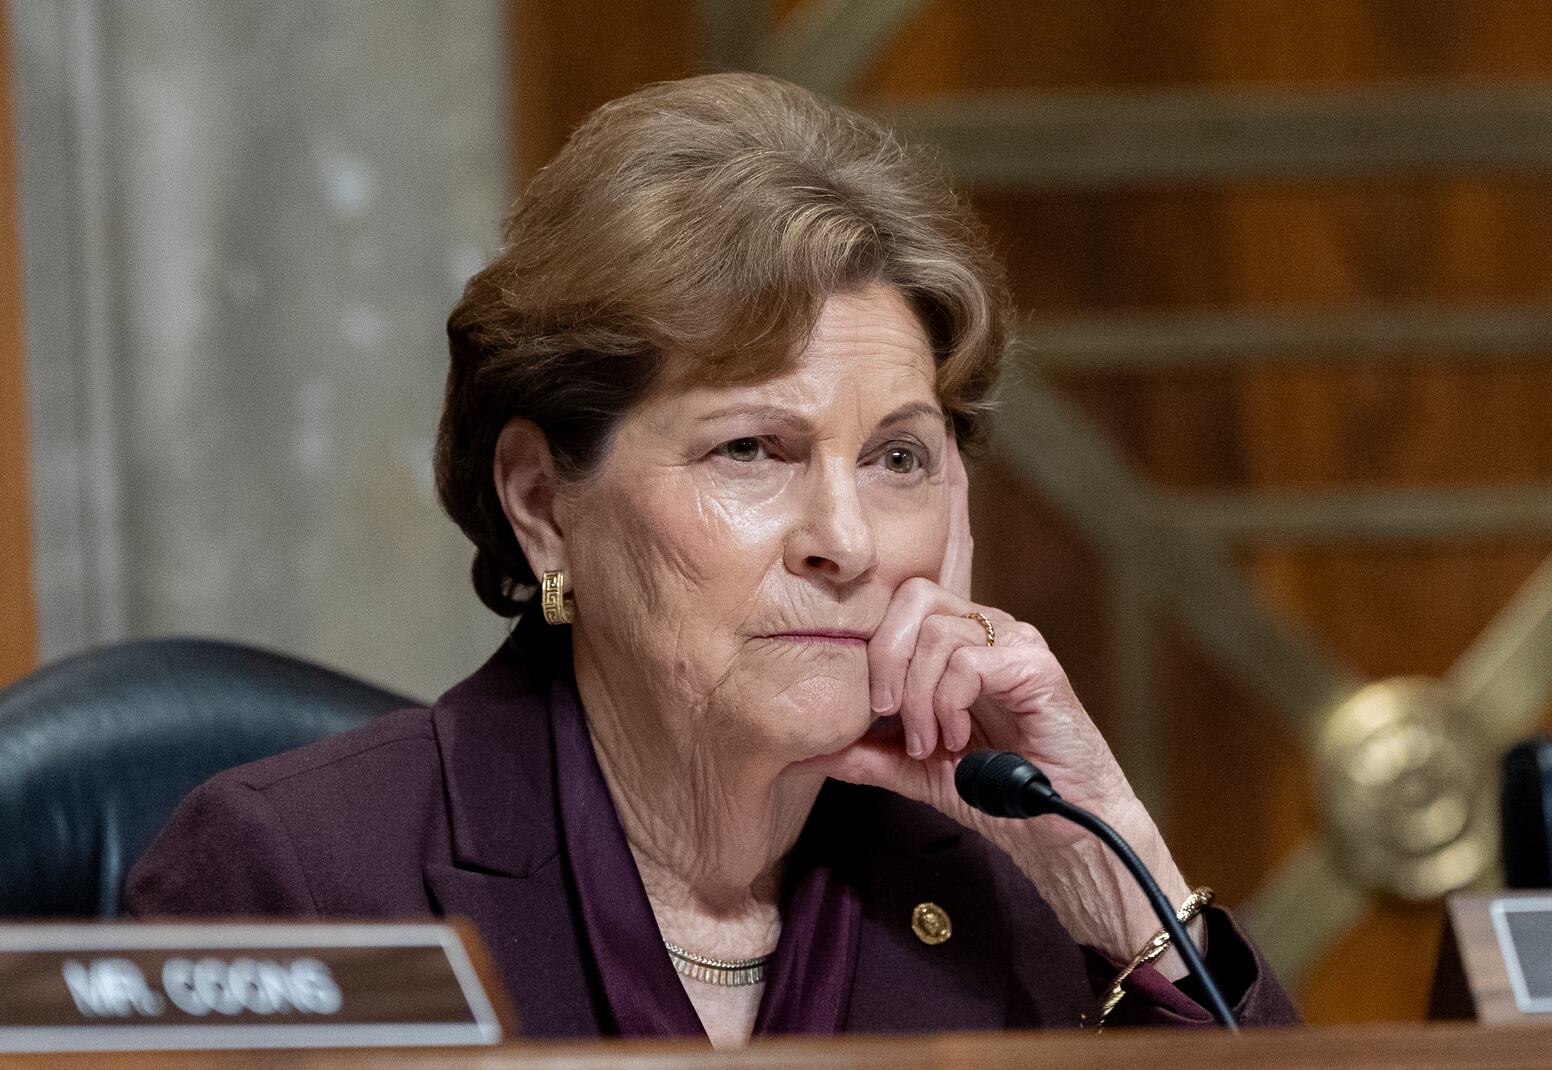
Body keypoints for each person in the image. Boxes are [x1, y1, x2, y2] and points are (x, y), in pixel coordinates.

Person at [127, 72, 1298, 1045]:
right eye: (752, 448)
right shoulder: (302, 875)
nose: (844, 539)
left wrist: (1110, 862)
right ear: (541, 502)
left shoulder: (1007, 884)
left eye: (898, 457)